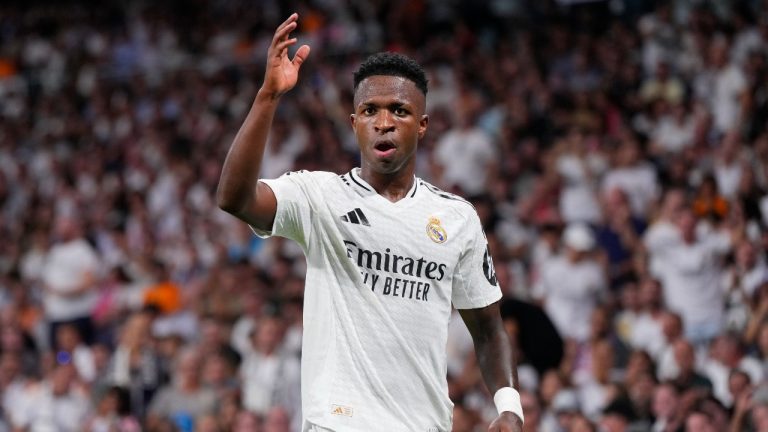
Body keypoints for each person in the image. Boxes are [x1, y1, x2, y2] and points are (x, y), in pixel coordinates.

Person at [216, 13, 523, 432]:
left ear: (423, 125)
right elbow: (234, 197)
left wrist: (509, 406)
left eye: (399, 110)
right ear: (355, 123)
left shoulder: (458, 218)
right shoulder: (318, 197)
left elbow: (487, 328)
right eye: (370, 110)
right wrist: (268, 96)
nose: (384, 122)